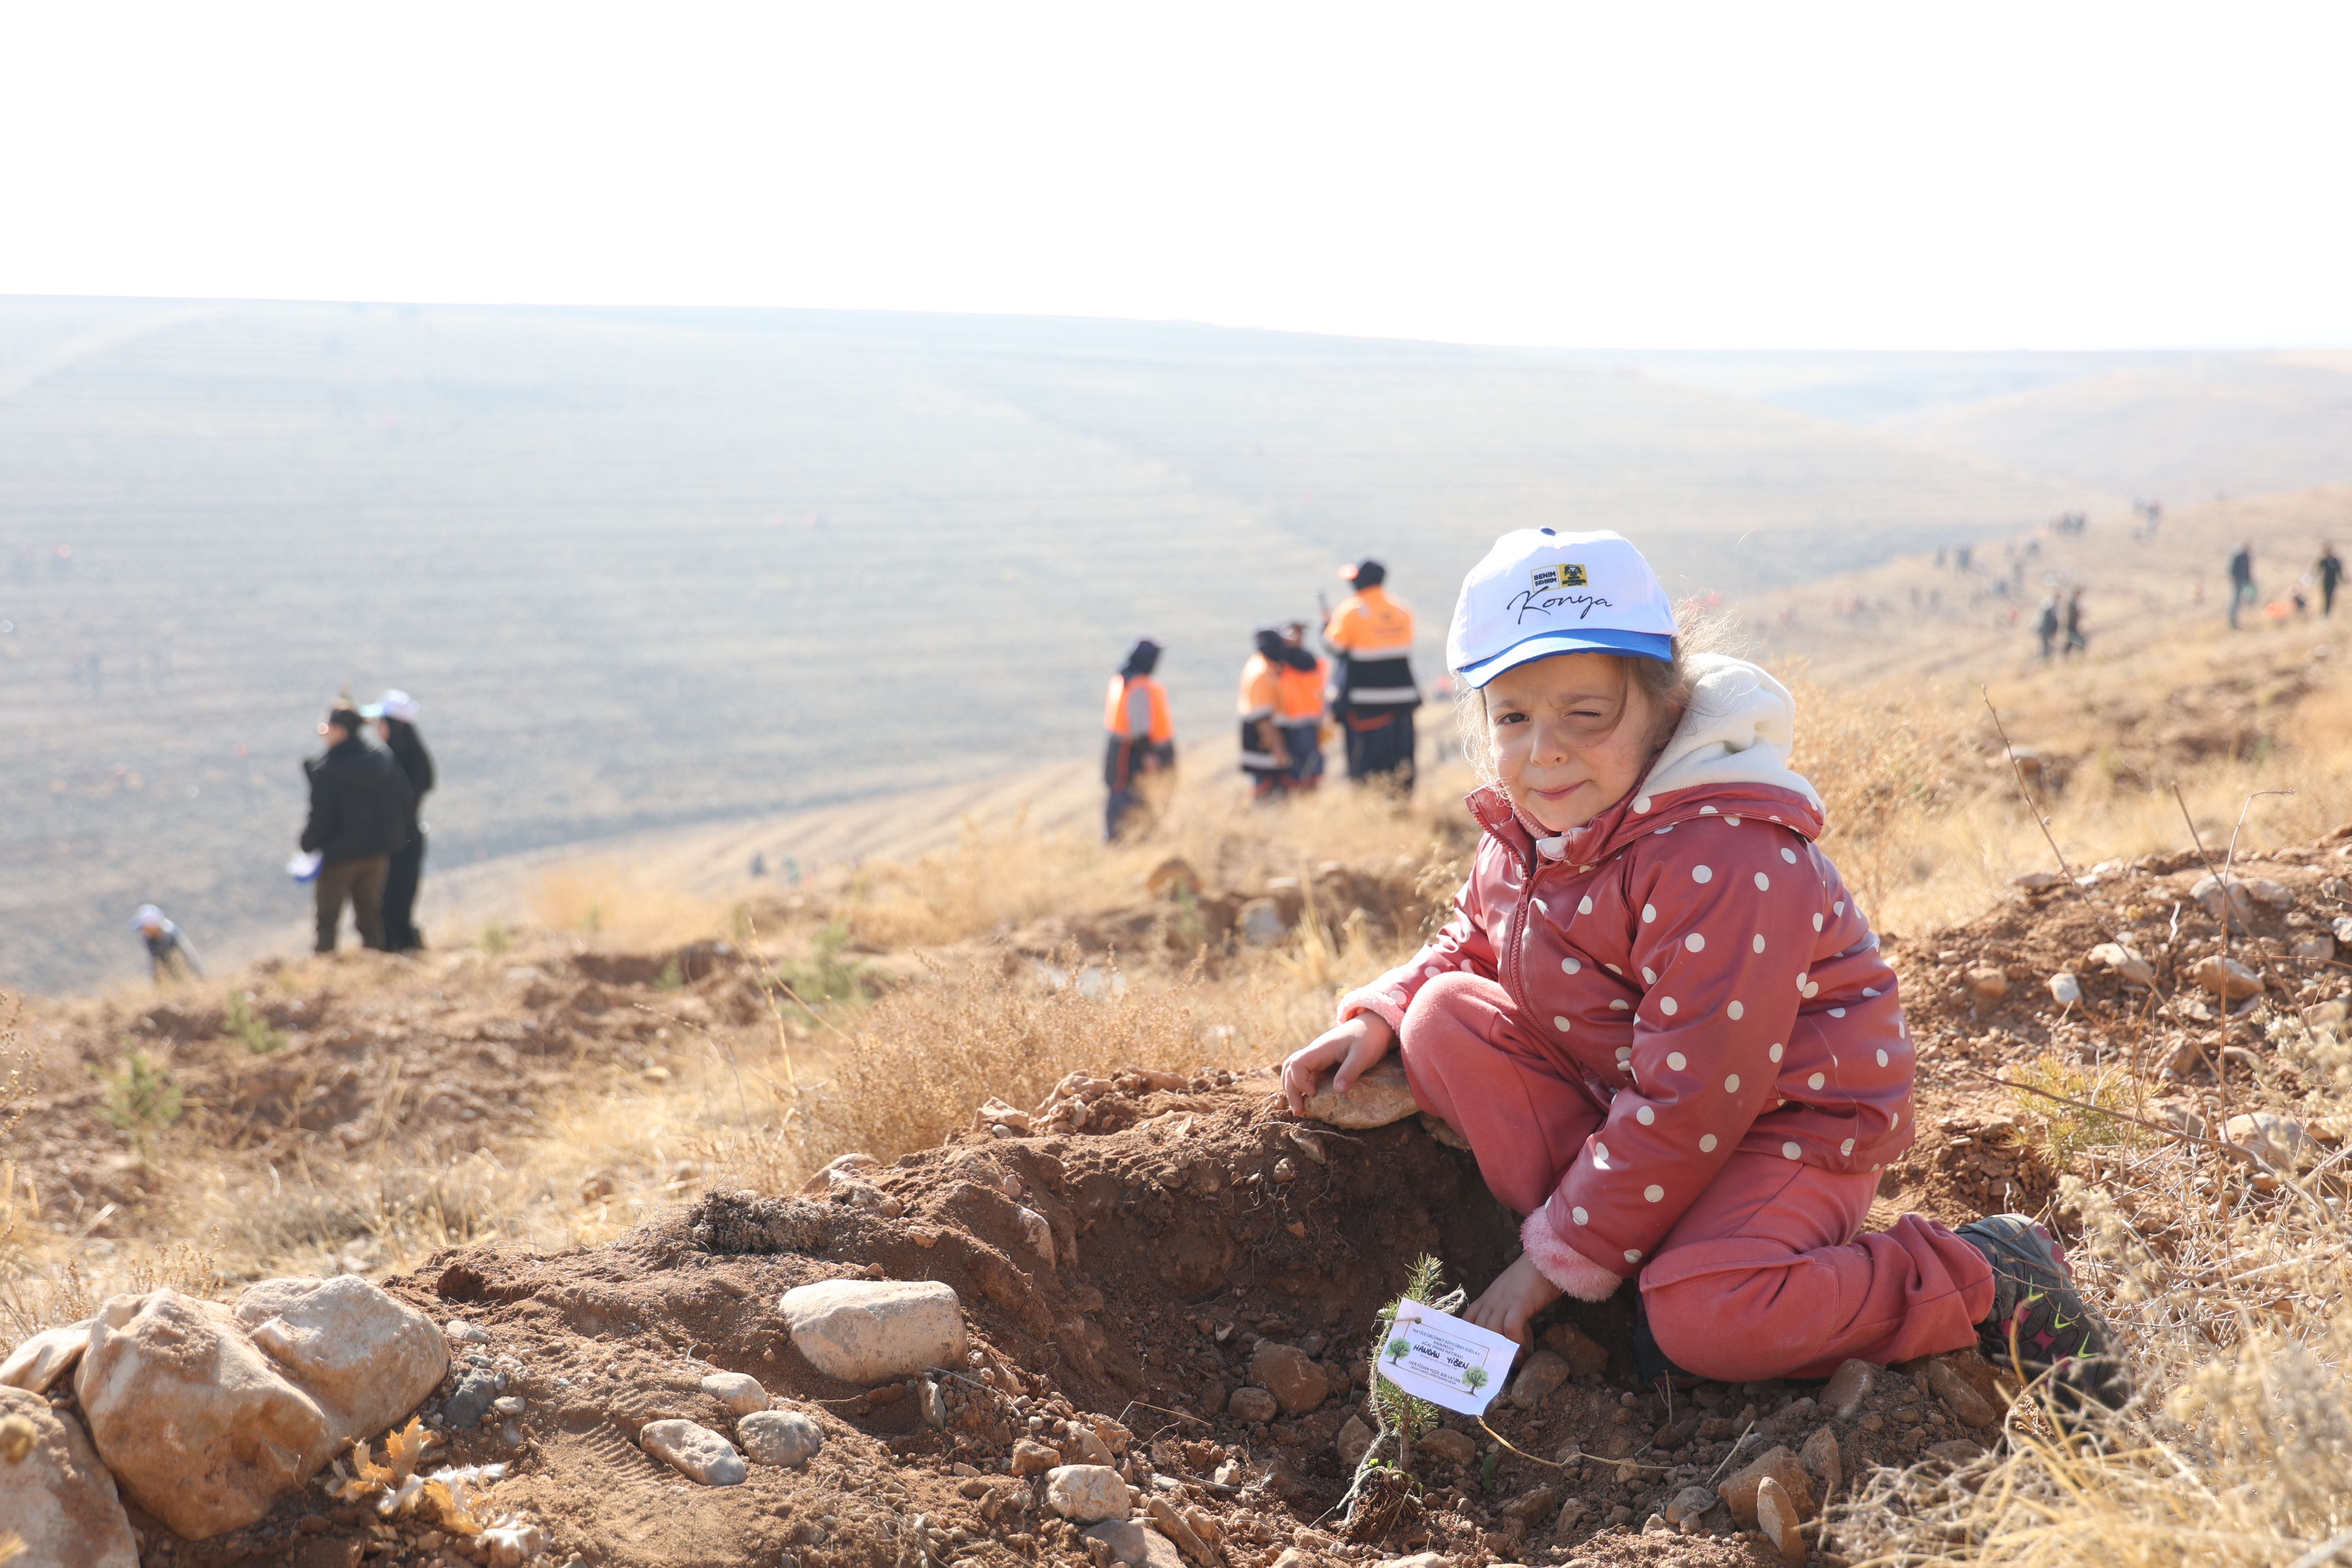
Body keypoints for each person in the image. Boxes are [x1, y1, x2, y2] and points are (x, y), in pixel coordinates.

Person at [1280, 525, 2125, 1410]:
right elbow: (1476, 936)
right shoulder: (1540, 824)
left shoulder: (1724, 854)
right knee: (1442, 1016)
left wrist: (1536, 1272)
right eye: (1514, 717)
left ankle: (1987, 1272)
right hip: (1646, 1098)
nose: (1545, 749)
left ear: (1666, 705)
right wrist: (1378, 1014)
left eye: (1586, 713)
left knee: (1704, 1322)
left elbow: (1695, 1096)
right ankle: (1615, 1254)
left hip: (1785, 1124)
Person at [300, 703, 414, 953]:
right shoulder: (382, 761)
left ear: (340, 730)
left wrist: (308, 843)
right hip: (377, 854)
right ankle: (378, 965)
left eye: (326, 728)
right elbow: (404, 800)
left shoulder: (327, 770)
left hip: (337, 858)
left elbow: (321, 817)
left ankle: (324, 970)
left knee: (327, 921)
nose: (324, 734)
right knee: (371, 918)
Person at [1323, 559, 1420, 790]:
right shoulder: (1401, 610)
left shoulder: (1351, 611)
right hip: (1403, 700)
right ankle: (1402, 797)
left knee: (1366, 761)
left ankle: (1371, 799)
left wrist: (1325, 628)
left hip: (1364, 704)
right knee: (1402, 755)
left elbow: (1334, 646)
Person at [367, 690, 435, 952]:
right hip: (400, 840)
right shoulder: (401, 758)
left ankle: (405, 953)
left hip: (401, 843)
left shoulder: (404, 762)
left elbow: (403, 804)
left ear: (396, 724)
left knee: (395, 908)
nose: (377, 728)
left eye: (381, 722)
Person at [1103, 640, 1175, 841]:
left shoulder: (1123, 680)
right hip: (1134, 754)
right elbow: (1140, 728)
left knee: (1129, 796)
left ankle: (1128, 838)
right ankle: (1129, 839)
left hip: (1123, 751)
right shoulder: (1138, 686)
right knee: (1134, 798)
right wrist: (1149, 755)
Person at [1238, 628, 1292, 802]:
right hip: (1264, 751)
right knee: (1268, 798)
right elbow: (1264, 720)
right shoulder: (1261, 673)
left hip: (1264, 749)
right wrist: (1278, 749)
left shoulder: (1263, 666)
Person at [1275, 621, 1328, 792]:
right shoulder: (1281, 664)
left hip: (1310, 722)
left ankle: (1308, 798)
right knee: (1298, 770)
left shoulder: (1309, 661)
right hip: (1292, 724)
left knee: (1311, 768)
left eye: (1298, 634)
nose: (1295, 638)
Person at [132, 905, 202, 984]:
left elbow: (188, 958)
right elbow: (156, 964)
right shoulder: (149, 940)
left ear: (153, 926)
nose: (143, 931)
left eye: (145, 928)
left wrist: (198, 977)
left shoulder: (171, 937)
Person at [2228, 543, 2256, 629]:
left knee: (2245, 600)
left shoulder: (2246, 557)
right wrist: (2235, 579)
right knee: (2236, 601)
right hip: (2239, 581)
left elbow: (2247, 570)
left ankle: (2243, 619)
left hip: (2245, 582)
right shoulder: (2239, 557)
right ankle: (2233, 621)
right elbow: (2233, 570)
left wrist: (2249, 580)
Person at [2062, 589, 2087, 658]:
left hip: (2072, 627)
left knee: (2071, 642)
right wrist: (2079, 614)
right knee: (2081, 642)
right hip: (2071, 627)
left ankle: (2066, 656)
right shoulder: (2072, 603)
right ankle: (2080, 656)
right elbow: (2071, 616)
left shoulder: (2074, 603)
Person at [2318, 544, 2342, 617]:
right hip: (2325, 582)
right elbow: (2318, 570)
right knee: (2325, 596)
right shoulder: (2324, 561)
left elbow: (2339, 571)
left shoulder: (2335, 561)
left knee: (2330, 596)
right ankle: (2325, 611)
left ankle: (2328, 612)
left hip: (2333, 582)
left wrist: (2343, 580)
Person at [2034, 596, 2060, 661]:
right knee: (2045, 645)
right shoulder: (2049, 609)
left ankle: (2045, 659)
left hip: (2046, 630)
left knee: (2046, 646)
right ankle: (2044, 660)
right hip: (2044, 630)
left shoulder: (2051, 608)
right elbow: (2047, 622)